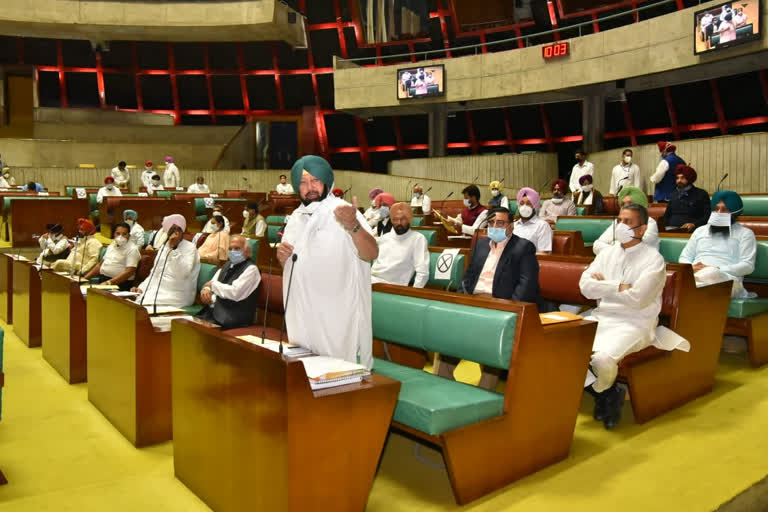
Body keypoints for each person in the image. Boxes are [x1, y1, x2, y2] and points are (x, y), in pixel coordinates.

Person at [278, 155, 377, 368]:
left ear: (327, 182)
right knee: (304, 373)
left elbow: (371, 253)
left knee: (338, 373)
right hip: (302, 312)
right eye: (303, 182)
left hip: (336, 314)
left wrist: (354, 226)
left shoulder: (342, 211)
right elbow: (293, 263)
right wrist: (282, 258)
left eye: (315, 180)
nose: (310, 187)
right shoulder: (296, 217)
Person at [579, 203, 666, 429]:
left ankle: (601, 392)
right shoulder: (607, 253)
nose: (621, 226)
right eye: (619, 220)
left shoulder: (653, 260)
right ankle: (607, 394)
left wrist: (604, 286)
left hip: (635, 322)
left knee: (601, 359)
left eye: (628, 222)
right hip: (602, 316)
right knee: (560, 346)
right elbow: (585, 287)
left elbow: (638, 299)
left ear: (642, 229)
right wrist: (619, 286)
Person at [679, 191, 757, 298]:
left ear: (734, 213)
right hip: (696, 274)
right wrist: (692, 268)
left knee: (711, 273)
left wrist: (716, 268)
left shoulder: (745, 234)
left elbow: (748, 266)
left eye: (724, 210)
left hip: (729, 280)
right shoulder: (700, 231)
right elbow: (684, 257)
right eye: (716, 209)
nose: (719, 213)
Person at [460, 207, 541, 302]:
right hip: (474, 299)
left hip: (501, 303)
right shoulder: (480, 245)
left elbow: (526, 284)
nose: (494, 226)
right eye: (491, 222)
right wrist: (461, 300)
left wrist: (511, 308)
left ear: (511, 226)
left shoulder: (524, 248)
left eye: (500, 223)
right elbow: (468, 276)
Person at [132, 214, 201, 308]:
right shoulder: (164, 247)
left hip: (177, 294)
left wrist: (174, 249)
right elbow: (154, 273)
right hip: (158, 292)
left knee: (142, 309)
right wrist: (141, 288)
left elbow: (183, 273)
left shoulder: (190, 248)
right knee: (132, 305)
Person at [196, 235, 262, 329]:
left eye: (237, 248)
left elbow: (235, 293)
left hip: (233, 318)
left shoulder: (252, 269)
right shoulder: (227, 265)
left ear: (247, 251)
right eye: (230, 249)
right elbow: (212, 282)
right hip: (214, 313)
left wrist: (212, 285)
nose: (232, 252)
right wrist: (206, 289)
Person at [371, 202, 430, 287]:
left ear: (409, 219)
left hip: (392, 287)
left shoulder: (418, 239)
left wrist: (413, 295)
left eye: (403, 219)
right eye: (395, 219)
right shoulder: (384, 238)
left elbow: (423, 273)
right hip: (370, 282)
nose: (399, 223)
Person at [593, 186, 659, 255]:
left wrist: (613, 244)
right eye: (623, 204)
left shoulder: (650, 222)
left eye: (630, 203)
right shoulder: (618, 221)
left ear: (640, 206)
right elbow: (597, 245)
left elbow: (636, 248)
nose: (625, 207)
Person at [82, 223, 141, 291]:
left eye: (124, 234)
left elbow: (129, 271)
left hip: (119, 284)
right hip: (103, 281)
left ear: (129, 235)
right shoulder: (112, 245)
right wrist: (84, 279)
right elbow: (99, 265)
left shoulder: (132, 249)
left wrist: (109, 283)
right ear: (114, 234)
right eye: (118, 233)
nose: (120, 237)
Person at [663, 165, 711, 232]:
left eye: (682, 178)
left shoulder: (701, 194)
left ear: (689, 178)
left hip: (692, 231)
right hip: (671, 230)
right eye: (677, 178)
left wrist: (694, 224)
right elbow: (667, 215)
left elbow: (707, 216)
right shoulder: (674, 194)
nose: (679, 181)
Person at [513, 187, 552, 253]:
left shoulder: (543, 226)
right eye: (521, 203)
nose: (524, 207)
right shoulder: (513, 225)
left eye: (528, 204)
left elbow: (543, 254)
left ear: (535, 206)